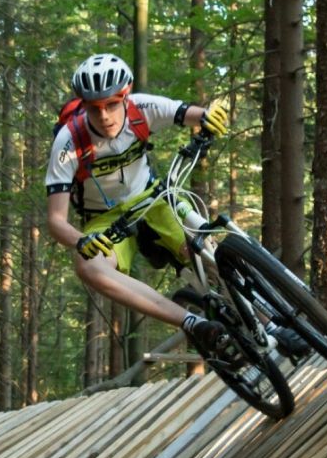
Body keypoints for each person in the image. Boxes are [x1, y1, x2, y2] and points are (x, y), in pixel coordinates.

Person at [44, 53, 232, 351]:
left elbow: (193, 114)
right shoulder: (68, 141)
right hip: (105, 220)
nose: (104, 116)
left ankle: (270, 321)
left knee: (207, 252)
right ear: (83, 105)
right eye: (94, 108)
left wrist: (211, 115)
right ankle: (192, 323)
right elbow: (56, 219)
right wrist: (81, 241)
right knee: (88, 266)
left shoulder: (141, 108)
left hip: (152, 197)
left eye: (111, 104)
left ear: (125, 95)